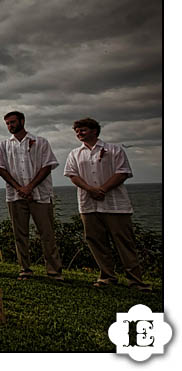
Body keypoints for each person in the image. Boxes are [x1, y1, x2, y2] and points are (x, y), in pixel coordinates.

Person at [63, 118, 152, 291]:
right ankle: (107, 276)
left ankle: (135, 280)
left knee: (124, 241)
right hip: (88, 205)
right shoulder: (75, 153)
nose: (79, 133)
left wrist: (102, 189)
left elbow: (122, 172)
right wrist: (90, 189)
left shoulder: (114, 149)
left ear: (95, 131)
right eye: (77, 131)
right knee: (96, 241)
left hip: (115, 204)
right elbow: (72, 175)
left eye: (83, 130)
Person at [0, 111, 64, 281]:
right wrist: (20, 188)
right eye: (8, 123)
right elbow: (1, 169)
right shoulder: (4, 145)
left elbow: (47, 166)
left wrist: (30, 187)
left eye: (13, 122)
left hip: (40, 195)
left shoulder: (40, 142)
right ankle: (25, 269)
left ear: (22, 121)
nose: (11, 126)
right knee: (20, 234)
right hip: (15, 196)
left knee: (47, 233)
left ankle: (54, 271)